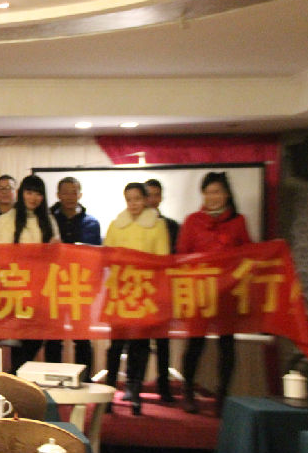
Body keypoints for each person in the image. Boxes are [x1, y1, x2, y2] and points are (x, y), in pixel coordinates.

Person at [177, 172, 252, 415]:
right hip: (200, 292)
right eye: (208, 192)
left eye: (217, 192)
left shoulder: (238, 221)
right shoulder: (192, 221)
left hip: (228, 292)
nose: (212, 197)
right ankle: (188, 391)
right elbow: (182, 253)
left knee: (227, 345)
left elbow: (248, 253)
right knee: (195, 343)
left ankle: (222, 395)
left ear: (227, 195)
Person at [103, 182, 169, 416]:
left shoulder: (157, 225)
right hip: (120, 293)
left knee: (140, 346)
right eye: (129, 199)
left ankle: (135, 391)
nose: (133, 204)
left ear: (146, 200)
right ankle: (109, 392)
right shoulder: (116, 225)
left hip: (144, 293)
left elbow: (162, 259)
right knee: (115, 346)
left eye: (137, 199)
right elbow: (107, 256)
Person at [0, 175, 60, 373]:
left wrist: (55, 249)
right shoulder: (6, 220)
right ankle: (15, 378)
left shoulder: (49, 220)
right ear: (21, 194)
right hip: (16, 288)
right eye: (29, 192)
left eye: (38, 194)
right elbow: (2, 257)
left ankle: (16, 377)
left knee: (36, 338)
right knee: (18, 340)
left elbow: (56, 256)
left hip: (42, 290)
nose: (33, 198)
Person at [50, 177, 102, 380]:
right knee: (54, 337)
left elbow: (97, 257)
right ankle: (54, 378)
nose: (70, 196)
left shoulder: (91, 223)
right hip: (54, 285)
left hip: (81, 286)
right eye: (66, 192)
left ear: (80, 195)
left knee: (82, 337)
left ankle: (85, 379)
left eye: (74, 192)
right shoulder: (49, 220)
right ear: (58, 195)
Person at [145, 178, 180, 403]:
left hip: (162, 290)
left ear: (161, 198)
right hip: (137, 290)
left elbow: (177, 257)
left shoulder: (172, 226)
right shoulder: (131, 225)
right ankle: (134, 385)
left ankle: (164, 385)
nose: (151, 199)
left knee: (162, 341)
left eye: (155, 194)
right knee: (138, 341)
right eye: (147, 195)